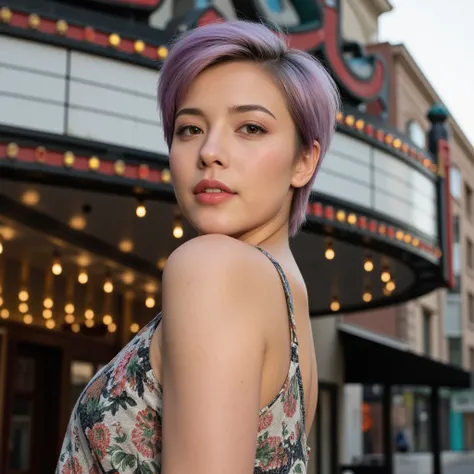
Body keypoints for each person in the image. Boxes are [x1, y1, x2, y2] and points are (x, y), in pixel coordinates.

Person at [56, 19, 339, 474]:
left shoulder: (214, 267)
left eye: (249, 127)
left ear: (305, 160)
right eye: (189, 129)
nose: (209, 150)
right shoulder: (288, 300)